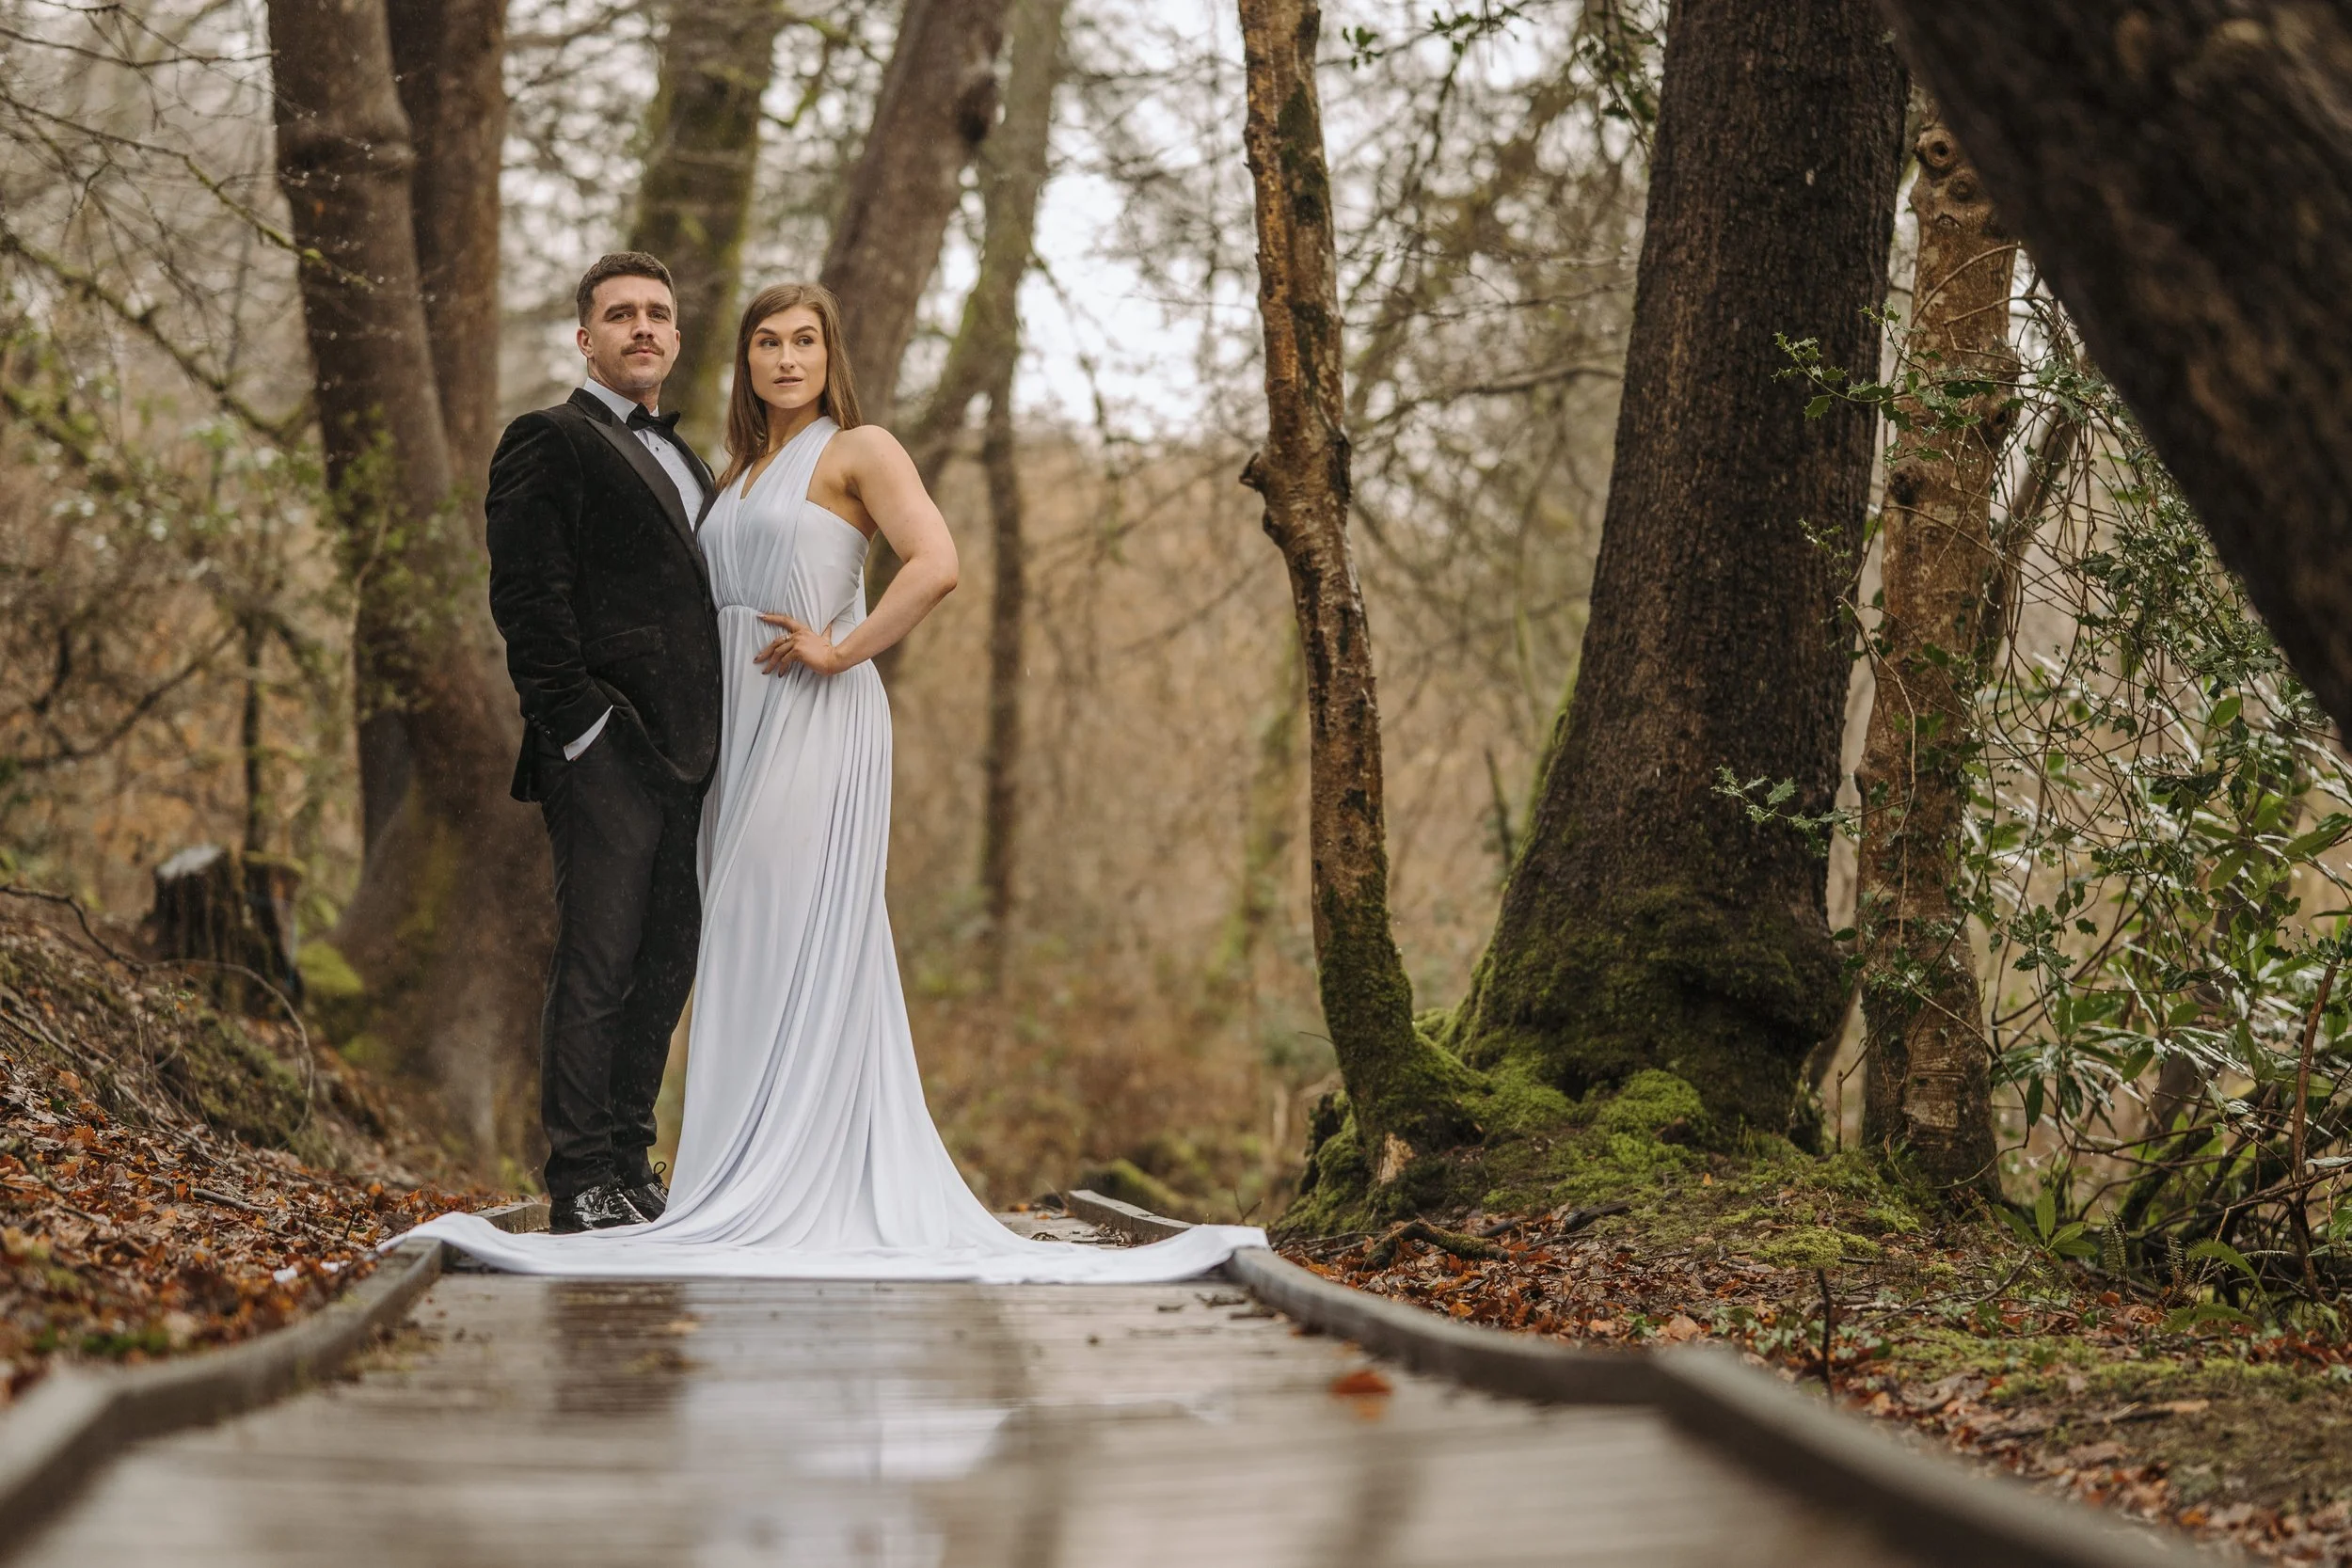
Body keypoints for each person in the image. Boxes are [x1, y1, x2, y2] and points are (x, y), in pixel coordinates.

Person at [418, 280, 1262, 1281]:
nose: (784, 358)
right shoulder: (730, 464)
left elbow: (935, 561)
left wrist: (845, 648)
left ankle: (790, 1171)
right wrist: (591, 724)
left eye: (804, 341)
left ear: (830, 355)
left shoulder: (858, 447)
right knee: (721, 940)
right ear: (739, 359)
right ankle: (693, 1167)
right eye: (766, 341)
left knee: (779, 932)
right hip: (717, 737)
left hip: (813, 719)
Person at [484, 252, 720, 1234]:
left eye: (658, 314)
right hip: (604, 750)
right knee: (597, 961)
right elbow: (527, 599)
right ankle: (579, 1175)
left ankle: (628, 1155)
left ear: (674, 335)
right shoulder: (548, 439)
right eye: (620, 314)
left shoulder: (691, 457)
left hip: (696, 757)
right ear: (586, 337)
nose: (642, 328)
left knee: (667, 960)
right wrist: (577, 726)